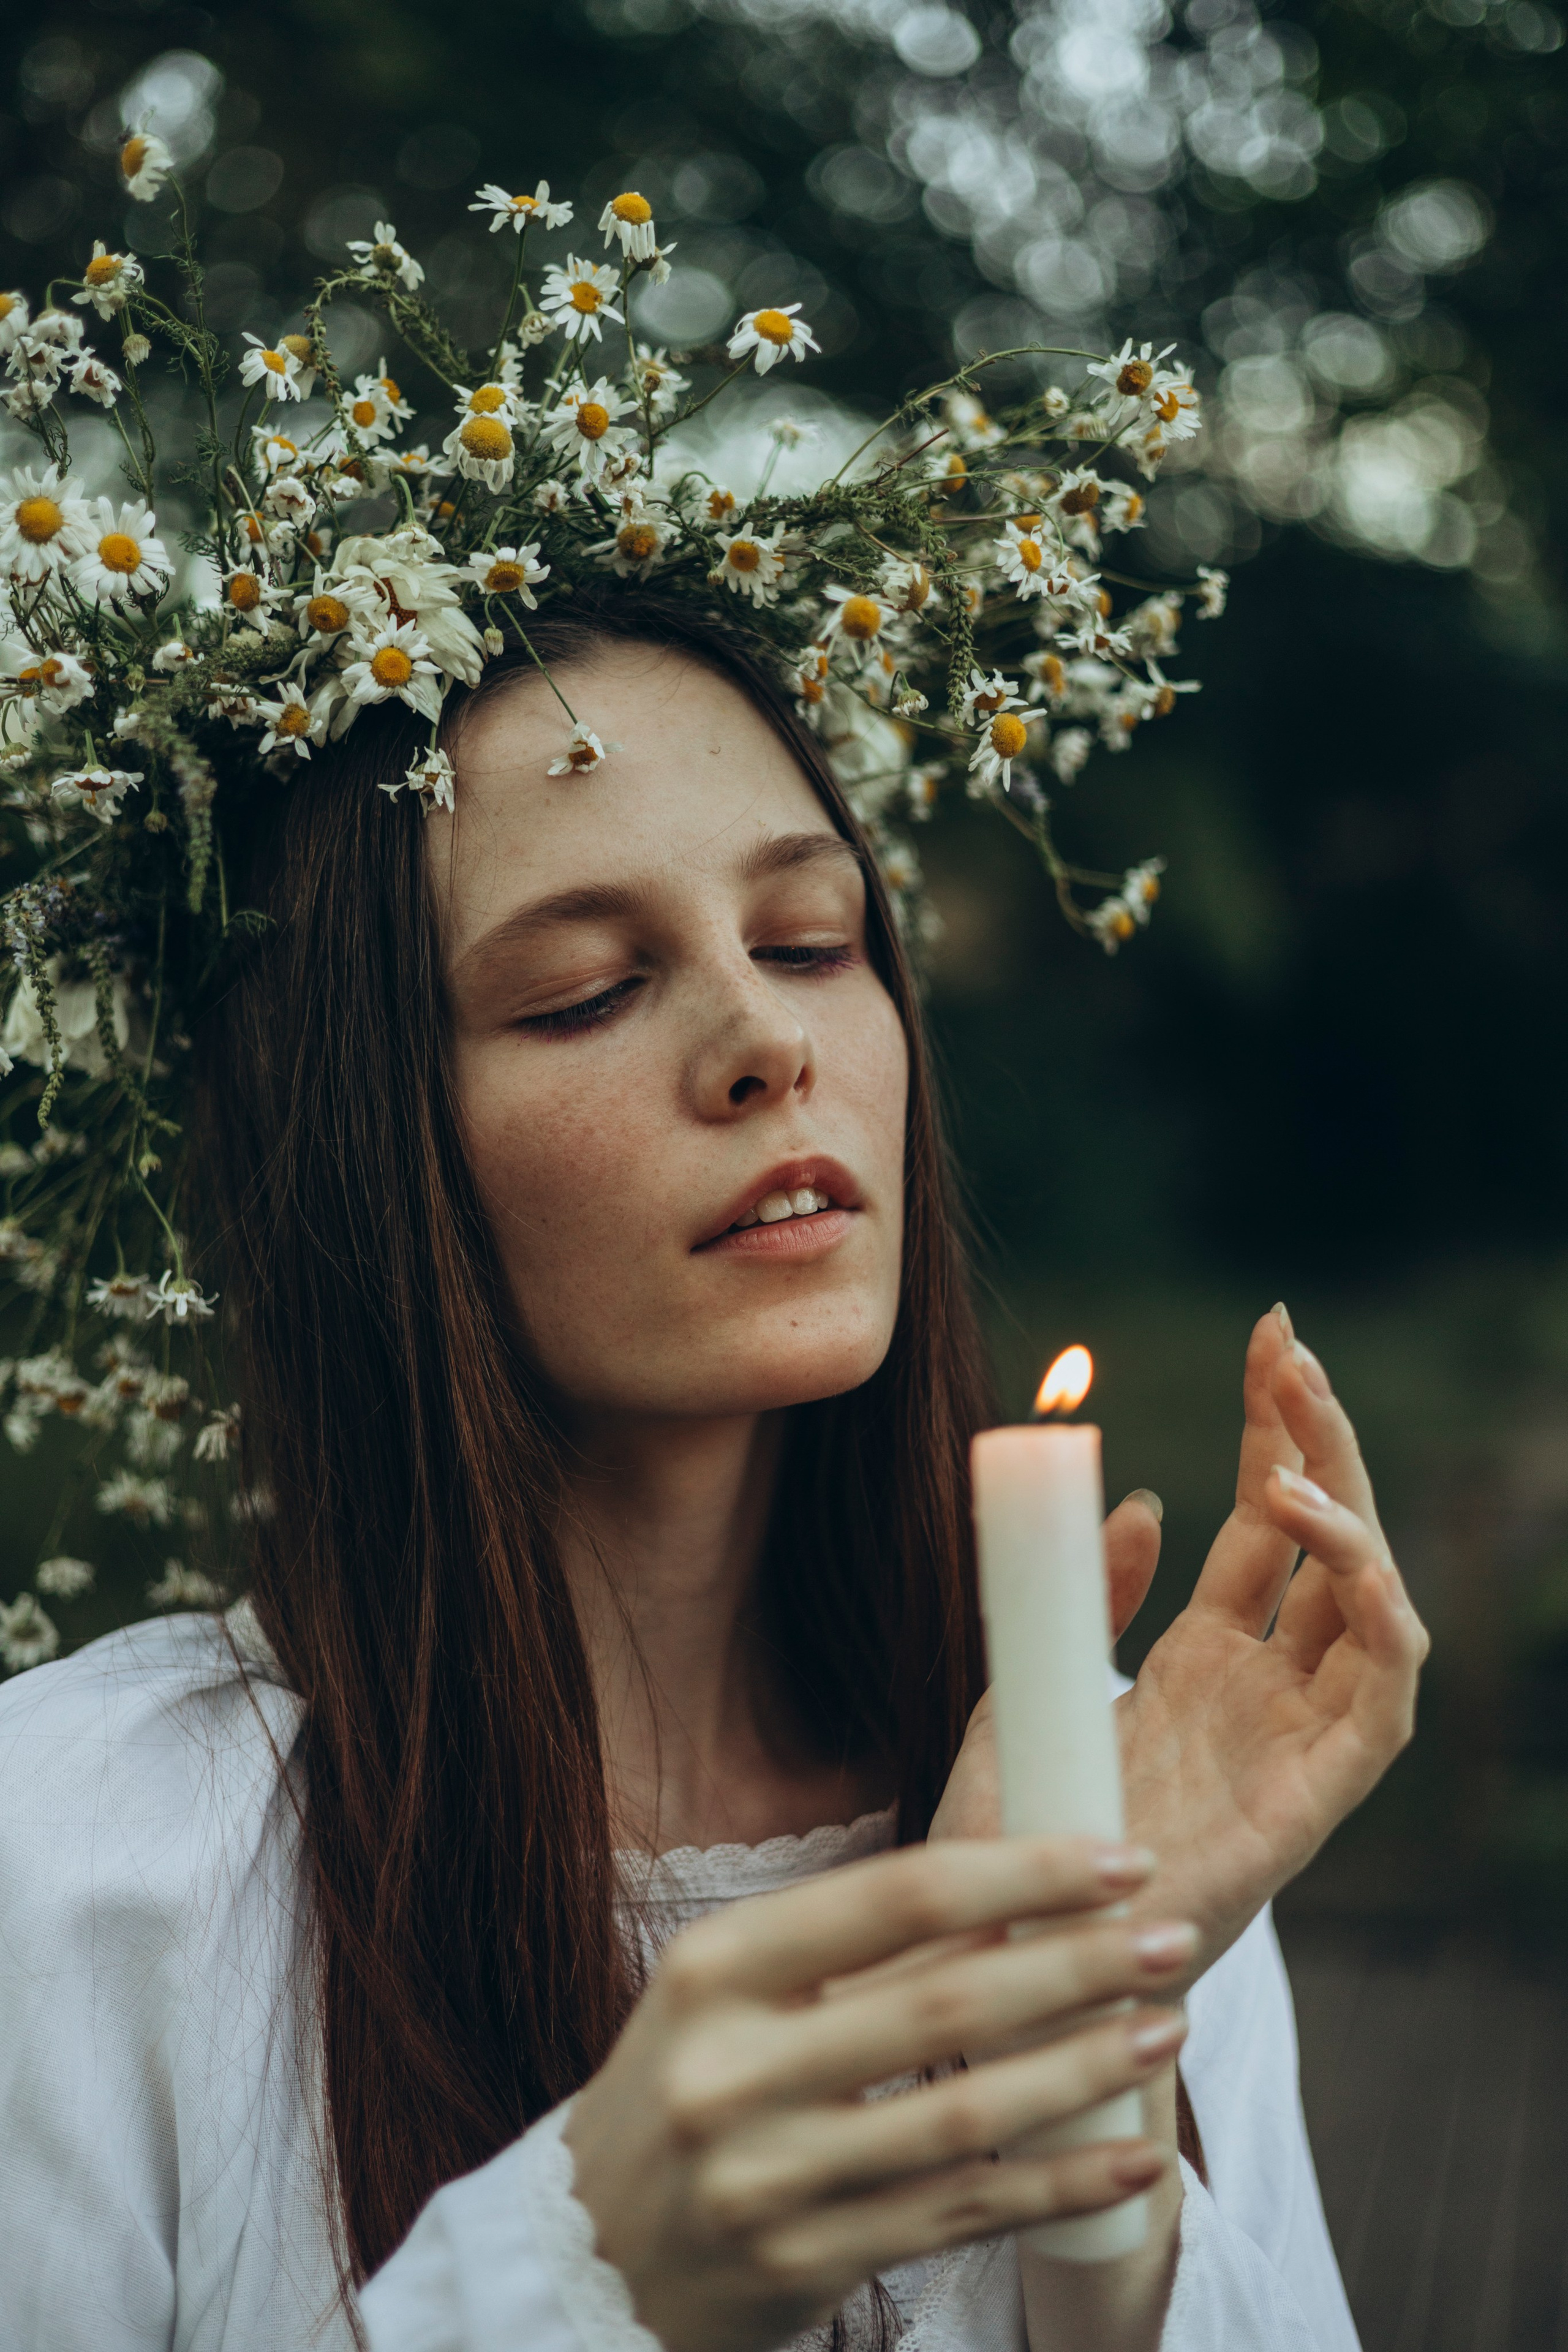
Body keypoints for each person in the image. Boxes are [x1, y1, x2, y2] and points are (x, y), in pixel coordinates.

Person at [0, 595, 1427, 2352]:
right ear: (357, 1148)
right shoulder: (72, 1873)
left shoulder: (1103, 1805)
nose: (772, 1040)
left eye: (815, 941)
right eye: (588, 988)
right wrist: (585, 2279)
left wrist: (1091, 2148)